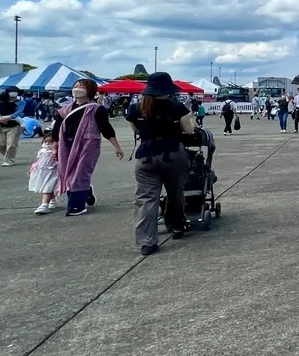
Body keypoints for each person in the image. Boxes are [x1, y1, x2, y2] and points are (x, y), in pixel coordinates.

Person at [125, 73, 194, 253]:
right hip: (172, 154)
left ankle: (147, 241)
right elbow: (189, 130)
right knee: (175, 192)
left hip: (146, 156)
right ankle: (177, 225)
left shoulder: (135, 109)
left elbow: (137, 130)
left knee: (145, 198)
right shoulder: (177, 107)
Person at [52, 78, 124, 216]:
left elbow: (106, 128)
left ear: (90, 90)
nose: (77, 88)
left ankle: (75, 207)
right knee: (68, 174)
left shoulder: (97, 109)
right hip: (66, 145)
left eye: (81, 86)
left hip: (88, 145)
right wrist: (55, 147)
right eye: (76, 85)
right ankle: (86, 192)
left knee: (79, 174)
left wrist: (117, 147)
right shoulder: (64, 110)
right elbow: (56, 130)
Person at [29, 136, 59, 214]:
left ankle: (44, 205)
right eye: (46, 142)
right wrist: (32, 168)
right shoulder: (42, 151)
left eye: (51, 142)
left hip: (53, 172)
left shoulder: (57, 152)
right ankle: (52, 200)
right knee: (46, 187)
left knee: (48, 187)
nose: (48, 144)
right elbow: (38, 160)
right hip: (42, 172)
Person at [0, 90, 22, 166]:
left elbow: (17, 114)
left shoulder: (17, 103)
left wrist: (7, 118)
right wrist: (1, 118)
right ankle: (8, 155)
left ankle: (9, 160)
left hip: (14, 126)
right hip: (1, 126)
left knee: (11, 144)